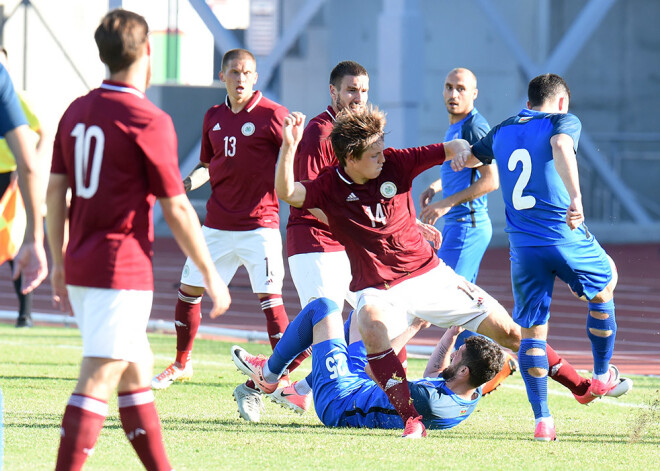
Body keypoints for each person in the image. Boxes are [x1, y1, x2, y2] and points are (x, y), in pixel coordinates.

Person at [274, 106, 630, 439]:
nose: (384, 157)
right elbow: (288, 192)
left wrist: (463, 153)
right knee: (367, 321)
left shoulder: (397, 162)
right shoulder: (327, 185)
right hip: (379, 286)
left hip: (429, 275)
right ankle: (411, 419)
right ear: (350, 159)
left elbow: (454, 146)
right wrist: (289, 146)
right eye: (375, 155)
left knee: (512, 333)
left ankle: (581, 388)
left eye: (383, 149)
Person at [46, 10, 230, 470]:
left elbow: (55, 190)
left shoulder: (76, 110)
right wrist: (211, 274)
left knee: (135, 372)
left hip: (86, 262)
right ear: (148, 51)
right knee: (99, 375)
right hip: (118, 266)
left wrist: (59, 258)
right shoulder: (147, 118)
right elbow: (177, 205)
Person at [454, 73, 632, 441]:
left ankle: (543, 423)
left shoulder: (502, 129)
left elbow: (470, 158)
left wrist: (452, 162)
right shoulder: (562, 121)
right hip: (562, 235)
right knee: (607, 281)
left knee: (533, 334)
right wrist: (577, 197)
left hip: (523, 247)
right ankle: (600, 376)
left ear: (529, 99)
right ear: (562, 101)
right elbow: (563, 147)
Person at [151, 48, 307, 423]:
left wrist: (295, 143)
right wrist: (185, 184)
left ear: (255, 78)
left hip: (260, 225)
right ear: (222, 76)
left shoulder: (274, 114)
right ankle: (181, 363)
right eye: (234, 71)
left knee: (271, 302)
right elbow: (208, 164)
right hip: (216, 226)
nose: (241, 78)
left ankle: (280, 377)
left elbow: (295, 159)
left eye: (248, 72)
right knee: (188, 290)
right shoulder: (214, 116)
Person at [231, 298, 505, 432]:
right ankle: (297, 390)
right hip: (360, 386)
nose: (452, 355)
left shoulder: (426, 400)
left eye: (456, 356)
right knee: (360, 317)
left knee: (324, 308)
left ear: (464, 371)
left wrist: (414, 328)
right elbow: (433, 374)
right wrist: (452, 333)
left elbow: (374, 366)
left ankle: (268, 374)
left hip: (340, 401)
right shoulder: (470, 393)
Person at [286, 60, 368, 311]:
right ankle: (272, 354)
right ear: (333, 91)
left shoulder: (360, 133)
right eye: (351, 90)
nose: (359, 98)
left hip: (345, 243)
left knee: (376, 319)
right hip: (314, 241)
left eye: (364, 91)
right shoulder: (319, 133)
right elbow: (305, 196)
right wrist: (349, 226)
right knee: (323, 323)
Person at [0, 46, 45, 327]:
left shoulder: (14, 94)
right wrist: (36, 237)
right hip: (18, 174)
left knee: (11, 243)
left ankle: (25, 313)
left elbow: (42, 130)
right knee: (20, 244)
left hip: (8, 177)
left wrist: (26, 165)